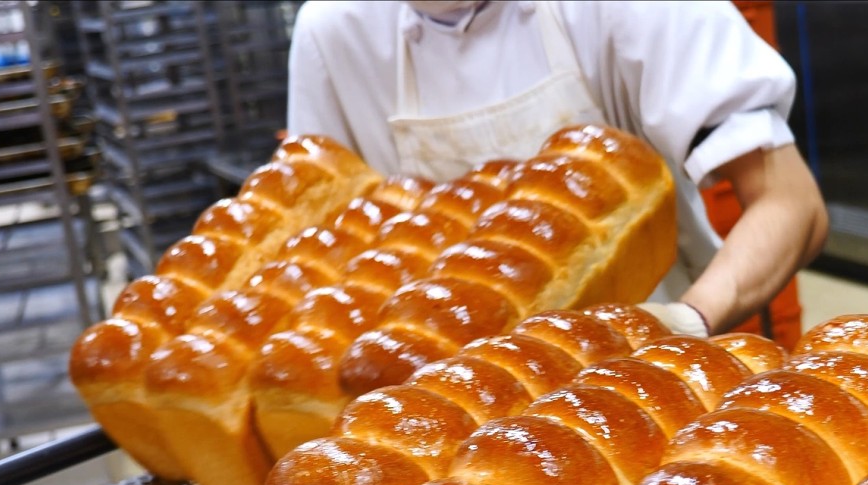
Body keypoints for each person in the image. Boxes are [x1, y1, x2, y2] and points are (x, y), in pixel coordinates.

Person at [285, 0, 828, 338]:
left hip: (646, 372)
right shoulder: (331, 32)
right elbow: (330, 256)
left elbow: (792, 204)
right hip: (439, 401)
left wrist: (688, 322)